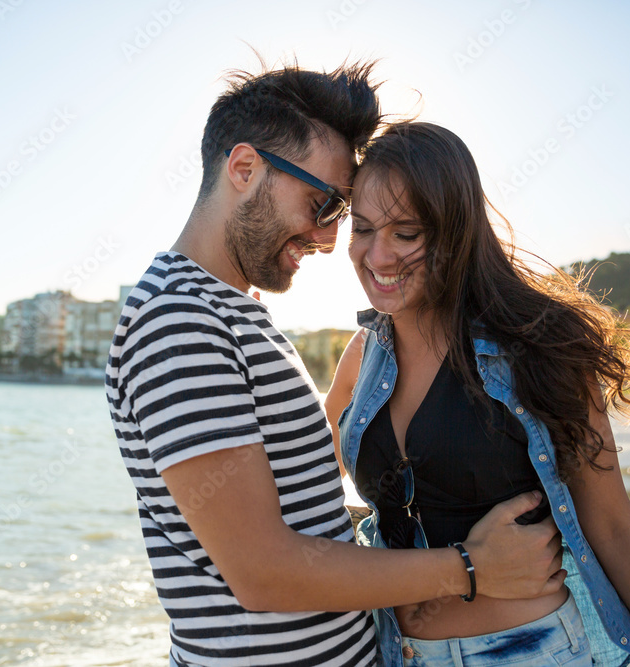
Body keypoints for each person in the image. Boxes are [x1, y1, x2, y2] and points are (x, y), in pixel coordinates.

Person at [105, 63, 568, 667]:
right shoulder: (179, 320)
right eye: (321, 203)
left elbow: (299, 498)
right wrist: (471, 568)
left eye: (337, 213)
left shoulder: (232, 311)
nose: (327, 238)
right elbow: (262, 572)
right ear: (244, 170)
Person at [325, 121, 630, 667]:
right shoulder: (362, 355)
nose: (377, 257)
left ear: (454, 231)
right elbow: (309, 483)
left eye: (405, 234)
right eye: (362, 229)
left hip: (538, 651)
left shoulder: (537, 347)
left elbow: (615, 528)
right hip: (397, 653)